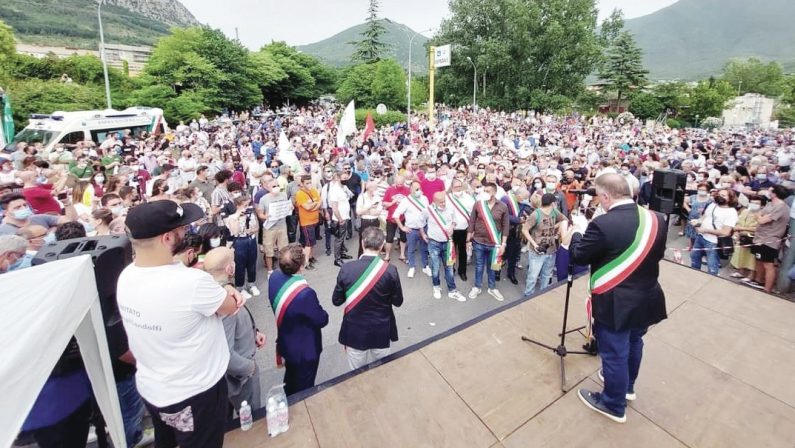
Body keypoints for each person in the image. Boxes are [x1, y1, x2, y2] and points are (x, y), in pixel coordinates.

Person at [117, 200, 244, 448]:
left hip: (155, 389)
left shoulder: (126, 276)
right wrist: (227, 285)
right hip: (196, 392)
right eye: (182, 230)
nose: (187, 233)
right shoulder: (192, 282)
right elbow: (230, 306)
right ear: (167, 238)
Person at [564, 173, 668, 424]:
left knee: (614, 353)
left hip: (616, 302)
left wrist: (578, 232)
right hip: (646, 295)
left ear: (606, 196)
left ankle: (613, 403)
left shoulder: (603, 224)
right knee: (634, 343)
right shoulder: (656, 218)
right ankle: (628, 387)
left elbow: (578, 255)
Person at [203, 247, 265, 411]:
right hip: (240, 376)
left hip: (238, 364)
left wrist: (253, 332)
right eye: (233, 261)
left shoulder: (214, 291)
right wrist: (249, 368)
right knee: (251, 415)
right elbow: (226, 352)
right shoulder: (225, 302)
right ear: (229, 269)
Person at [332, 227, 403, 370]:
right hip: (381, 330)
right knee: (383, 371)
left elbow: (337, 301)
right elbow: (398, 302)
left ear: (362, 243)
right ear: (382, 244)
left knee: (356, 375)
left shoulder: (347, 268)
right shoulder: (390, 270)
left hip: (354, 332)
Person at [268, 244, 329, 395]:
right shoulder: (305, 294)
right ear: (301, 266)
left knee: (290, 380)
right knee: (304, 389)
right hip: (304, 349)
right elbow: (321, 319)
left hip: (286, 341)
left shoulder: (274, 277)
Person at [466, 182, 510, 301]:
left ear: (495, 192)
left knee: (493, 266)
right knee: (479, 266)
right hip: (479, 241)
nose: (485, 193)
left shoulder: (502, 206)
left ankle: (492, 287)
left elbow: (506, 226)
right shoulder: (478, 204)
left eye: (488, 191)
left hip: (494, 243)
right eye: (484, 191)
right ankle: (477, 286)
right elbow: (472, 222)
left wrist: (504, 244)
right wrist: (468, 240)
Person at [746, 185, 792, 292]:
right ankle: (759, 280)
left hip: (770, 240)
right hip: (759, 237)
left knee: (768, 264)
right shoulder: (770, 204)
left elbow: (762, 220)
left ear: (775, 193)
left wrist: (759, 216)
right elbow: (760, 215)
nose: (767, 192)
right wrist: (759, 216)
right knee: (759, 260)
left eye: (770, 190)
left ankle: (767, 289)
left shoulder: (782, 208)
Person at [422, 191, 467, 301]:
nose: (443, 204)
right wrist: (423, 234)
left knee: (449, 268)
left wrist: (452, 226)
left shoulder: (450, 208)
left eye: (444, 201)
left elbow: (455, 220)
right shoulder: (427, 210)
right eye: (441, 202)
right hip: (434, 243)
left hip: (447, 243)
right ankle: (436, 287)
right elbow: (421, 223)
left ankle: (452, 290)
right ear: (434, 202)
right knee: (436, 268)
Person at [522, 193, 567, 296]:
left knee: (547, 275)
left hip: (551, 249)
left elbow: (565, 220)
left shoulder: (554, 212)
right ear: (553, 203)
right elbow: (525, 230)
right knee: (533, 276)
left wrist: (554, 228)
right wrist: (534, 244)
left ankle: (543, 294)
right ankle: (528, 295)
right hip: (537, 251)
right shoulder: (535, 215)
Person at [690, 189, 738, 275]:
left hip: (713, 242)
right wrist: (697, 222)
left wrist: (705, 230)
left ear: (730, 199)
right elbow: (704, 217)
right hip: (701, 237)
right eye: (719, 194)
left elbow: (725, 232)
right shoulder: (712, 205)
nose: (719, 196)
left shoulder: (731, 212)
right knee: (694, 258)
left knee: (712, 265)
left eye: (723, 195)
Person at [394, 180, 431, 278]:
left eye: (420, 188)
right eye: (416, 189)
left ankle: (425, 266)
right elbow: (396, 215)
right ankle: (412, 267)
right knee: (411, 249)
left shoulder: (424, 198)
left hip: (424, 227)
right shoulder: (406, 201)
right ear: (411, 189)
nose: (419, 191)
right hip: (411, 230)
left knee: (424, 248)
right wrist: (402, 227)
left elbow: (428, 213)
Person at [226, 194, 260, 298]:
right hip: (240, 242)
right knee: (240, 266)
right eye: (245, 205)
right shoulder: (231, 218)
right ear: (238, 206)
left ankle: (251, 284)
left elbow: (257, 227)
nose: (247, 207)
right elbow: (235, 231)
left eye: (248, 205)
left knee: (252, 263)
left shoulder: (251, 214)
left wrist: (251, 230)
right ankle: (240, 287)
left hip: (251, 240)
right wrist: (238, 217)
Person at [258, 179, 292, 275]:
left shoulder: (284, 195)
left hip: (282, 226)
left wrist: (289, 208)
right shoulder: (264, 199)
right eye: (273, 186)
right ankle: (270, 270)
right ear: (268, 188)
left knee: (284, 249)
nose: (276, 187)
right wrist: (266, 217)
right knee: (269, 250)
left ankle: (284, 268)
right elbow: (260, 214)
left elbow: (287, 207)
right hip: (270, 228)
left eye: (277, 185)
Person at [0, 192, 76, 236]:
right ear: (5, 212)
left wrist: (66, 203)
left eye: (25, 205)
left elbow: (69, 220)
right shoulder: (3, 231)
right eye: (17, 207)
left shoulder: (40, 218)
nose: (23, 208)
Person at [730, 195, 764, 281]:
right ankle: (740, 271)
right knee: (739, 254)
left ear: (761, 205)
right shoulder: (745, 211)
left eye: (756, 203)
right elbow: (738, 222)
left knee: (751, 258)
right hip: (741, 237)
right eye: (752, 202)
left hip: (753, 237)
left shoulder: (762, 215)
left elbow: (758, 228)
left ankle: (751, 275)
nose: (754, 204)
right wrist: (737, 231)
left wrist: (741, 228)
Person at [448, 178, 475, 282]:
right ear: (452, 187)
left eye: (460, 186)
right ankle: (451, 270)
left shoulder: (469, 198)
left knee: (463, 252)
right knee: (451, 251)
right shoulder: (447, 198)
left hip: (464, 229)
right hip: (451, 230)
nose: (458, 188)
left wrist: (472, 230)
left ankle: (462, 271)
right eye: (456, 187)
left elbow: (473, 214)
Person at [294, 174, 321, 270]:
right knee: (308, 244)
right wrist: (314, 204)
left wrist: (313, 206)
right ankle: (306, 263)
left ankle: (310, 257)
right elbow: (307, 207)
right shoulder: (299, 194)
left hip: (315, 220)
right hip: (306, 222)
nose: (309, 184)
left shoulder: (313, 190)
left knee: (312, 242)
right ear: (302, 184)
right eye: (307, 183)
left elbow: (319, 203)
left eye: (310, 182)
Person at [327, 168, 353, 266]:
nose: (346, 179)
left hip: (345, 217)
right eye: (344, 178)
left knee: (342, 238)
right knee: (338, 239)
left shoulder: (343, 187)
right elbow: (334, 207)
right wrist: (340, 219)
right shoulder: (334, 190)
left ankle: (342, 253)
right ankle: (337, 259)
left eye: (346, 178)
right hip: (339, 219)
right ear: (338, 178)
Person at [383, 174, 410, 263]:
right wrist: (392, 203)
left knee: (403, 237)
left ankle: (402, 254)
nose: (399, 186)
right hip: (391, 217)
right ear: (395, 182)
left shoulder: (407, 190)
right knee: (389, 237)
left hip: (403, 217)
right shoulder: (389, 189)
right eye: (398, 184)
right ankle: (387, 255)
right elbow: (384, 203)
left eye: (401, 184)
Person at [355, 181, 384, 258]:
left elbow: (378, 212)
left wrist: (366, 211)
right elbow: (358, 212)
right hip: (365, 222)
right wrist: (370, 207)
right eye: (375, 188)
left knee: (375, 241)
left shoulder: (377, 197)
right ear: (370, 188)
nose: (376, 189)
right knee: (363, 242)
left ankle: (374, 259)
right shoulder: (362, 197)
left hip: (375, 221)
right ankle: (361, 259)